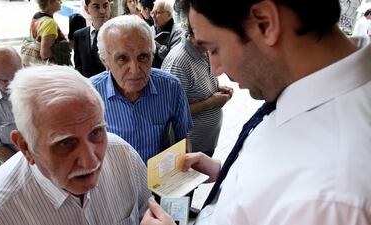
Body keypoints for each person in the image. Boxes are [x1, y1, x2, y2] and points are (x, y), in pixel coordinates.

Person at [141, 0, 371, 224]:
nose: (215, 68)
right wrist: (227, 174)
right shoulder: (300, 92)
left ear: (264, 23)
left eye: (214, 48)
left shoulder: (328, 198)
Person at [0, 65, 151, 225]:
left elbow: (148, 212)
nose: (90, 162)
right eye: (65, 143)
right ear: (25, 147)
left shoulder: (123, 155)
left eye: (96, 133)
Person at [90, 15, 192, 163]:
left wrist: (185, 177)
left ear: (152, 54)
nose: (135, 70)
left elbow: (183, 139)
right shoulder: (90, 95)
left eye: (143, 56)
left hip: (160, 183)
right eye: (122, 59)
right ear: (105, 60)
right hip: (115, 183)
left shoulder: (171, 87)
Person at [162, 20, 233, 157]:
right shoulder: (178, 62)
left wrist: (216, 89)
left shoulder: (203, 50)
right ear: (192, 34)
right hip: (191, 148)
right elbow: (171, 112)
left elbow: (195, 86)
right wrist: (211, 102)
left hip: (206, 142)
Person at [74, 0, 111, 77]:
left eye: (105, 6)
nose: (102, 11)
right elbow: (78, 66)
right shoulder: (79, 35)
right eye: (96, 7)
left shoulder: (119, 34)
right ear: (87, 9)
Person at [28, 0, 71, 65]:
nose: (61, 2)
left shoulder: (37, 16)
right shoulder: (49, 22)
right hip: (52, 68)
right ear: (49, 2)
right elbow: (45, 54)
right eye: (58, 0)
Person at [150, 0, 183, 68]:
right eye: (152, 13)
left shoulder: (177, 32)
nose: (153, 16)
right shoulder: (150, 29)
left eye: (157, 12)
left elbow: (175, 60)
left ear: (169, 14)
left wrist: (158, 46)